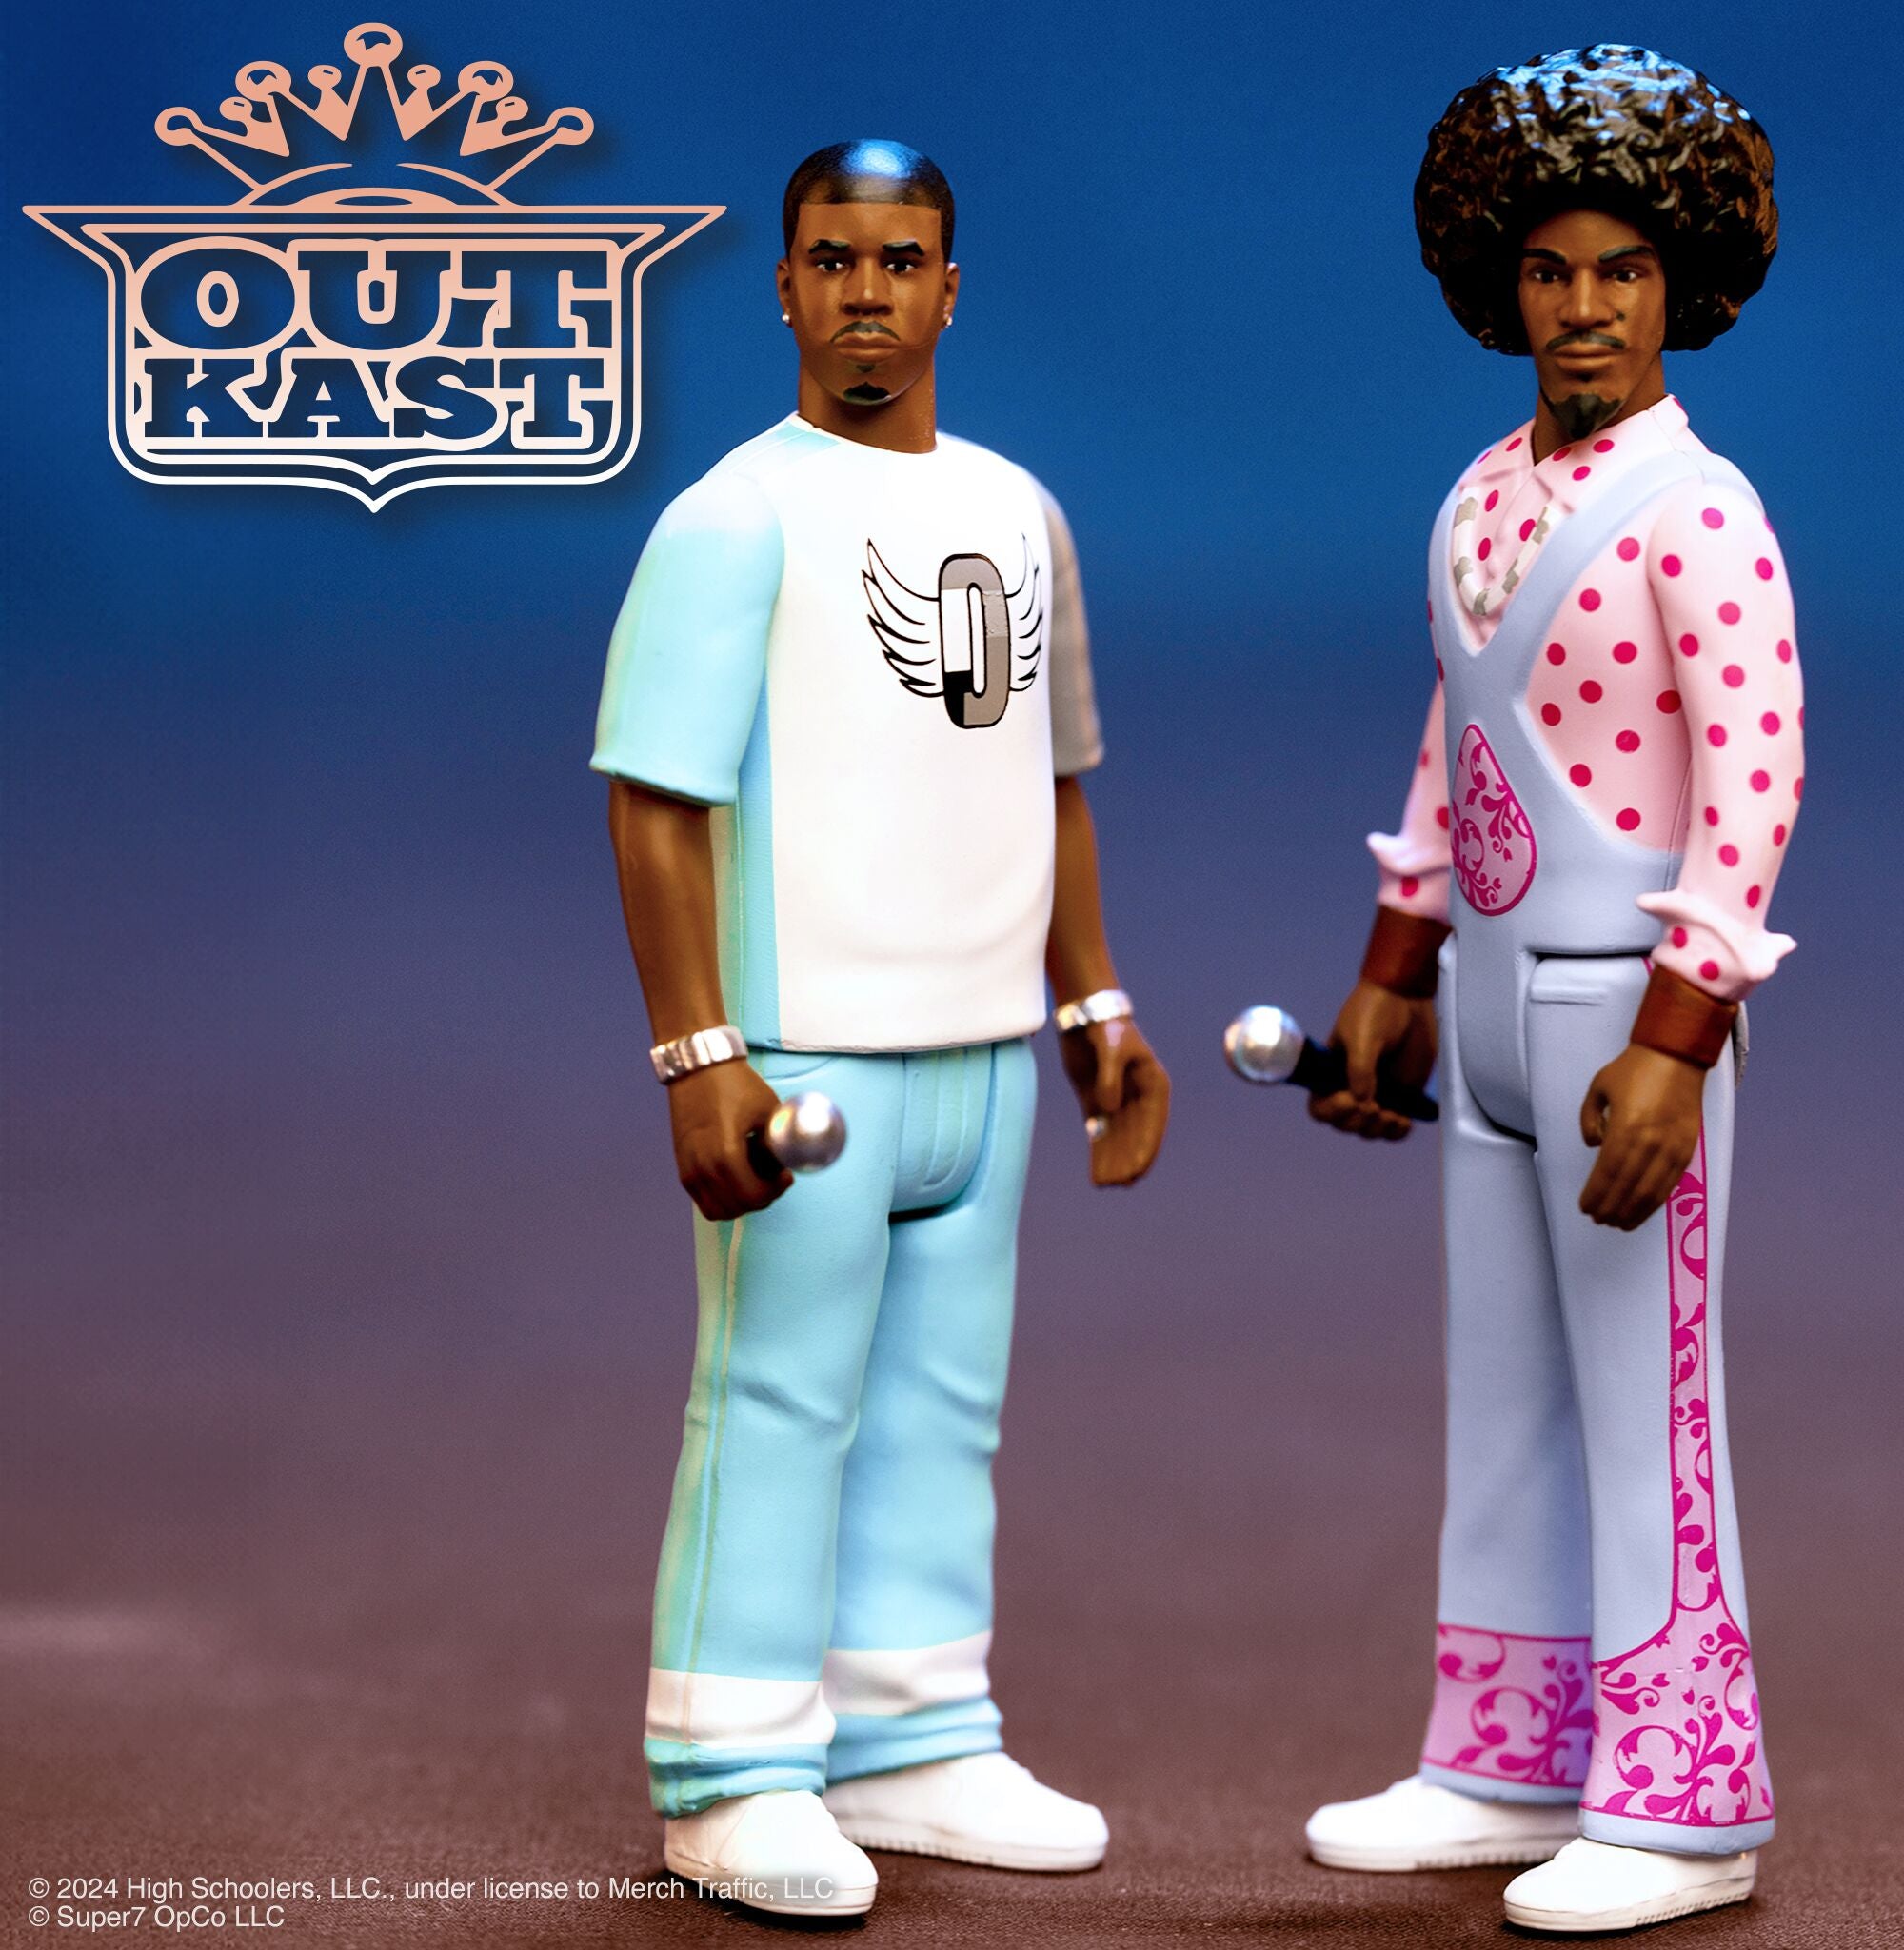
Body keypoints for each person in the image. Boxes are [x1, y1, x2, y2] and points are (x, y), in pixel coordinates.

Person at [591, 139, 1170, 1918]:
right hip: (809, 1054)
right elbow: (656, 799)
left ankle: (913, 1727)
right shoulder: (732, 521)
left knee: (940, 1408)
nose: (866, 292)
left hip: (982, 1052)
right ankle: (731, 1765)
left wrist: (1092, 998)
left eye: (899, 260)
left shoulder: (1019, 510)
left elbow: (1052, 776)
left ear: (949, 288)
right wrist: (700, 1052)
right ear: (783, 285)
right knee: (777, 1396)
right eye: (832, 259)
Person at [1299, 48, 1801, 1935]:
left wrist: (1681, 1034)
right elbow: (1459, 741)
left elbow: (1754, 787)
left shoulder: (1700, 512)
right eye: (1549, 270)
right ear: (1497, 281)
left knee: (1647, 1402)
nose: (1583, 307)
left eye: (1622, 271)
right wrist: (1395, 967)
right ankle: (1508, 1752)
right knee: (1502, 1393)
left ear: (1680, 285)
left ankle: (1686, 1796)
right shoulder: (1477, 497)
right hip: (1498, 1004)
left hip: (1619, 1014)